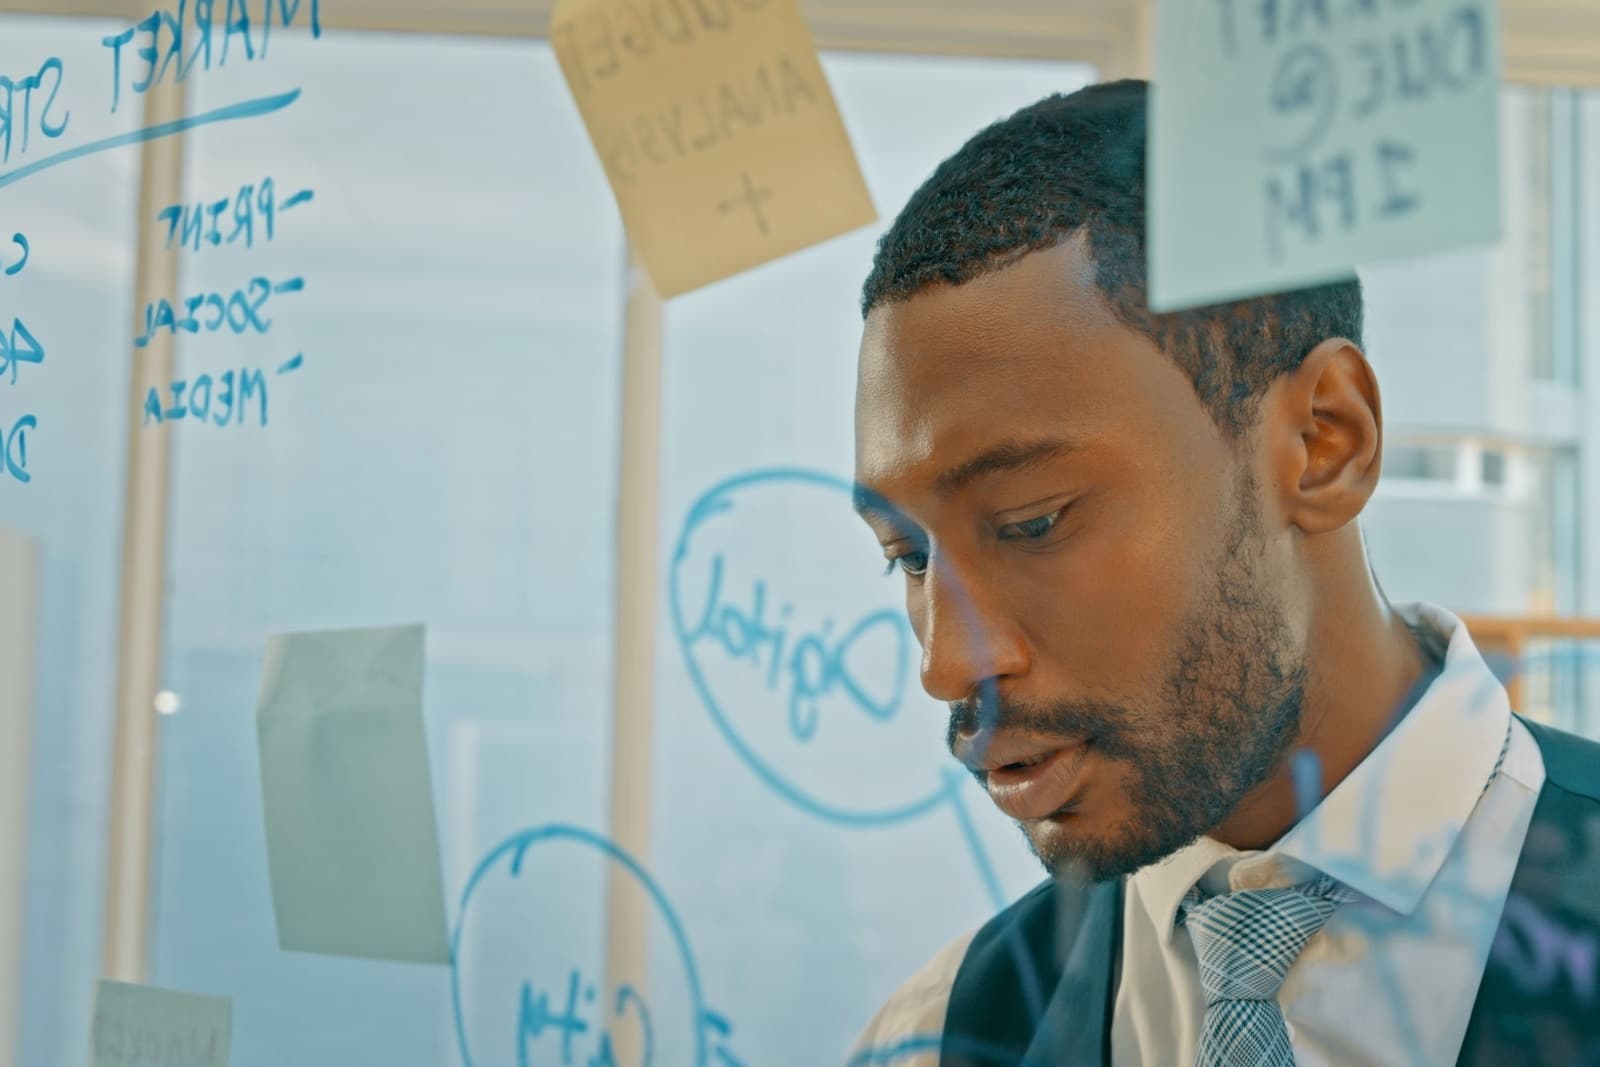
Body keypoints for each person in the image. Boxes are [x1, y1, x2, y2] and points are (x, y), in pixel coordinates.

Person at [847, 79, 1600, 1067]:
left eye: (1032, 521)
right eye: (907, 556)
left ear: (1324, 441)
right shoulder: (937, 1035)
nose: (947, 666)